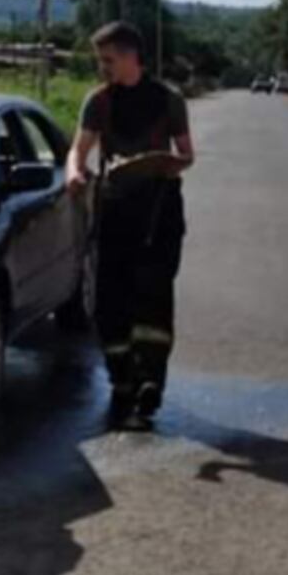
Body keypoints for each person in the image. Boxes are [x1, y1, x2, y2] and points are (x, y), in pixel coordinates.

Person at [65, 21, 194, 425]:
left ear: (131, 57)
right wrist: (74, 173)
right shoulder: (99, 102)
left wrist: (166, 163)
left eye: (107, 60)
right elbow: (78, 149)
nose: (102, 67)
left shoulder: (169, 100)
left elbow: (187, 154)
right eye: (100, 60)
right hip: (115, 209)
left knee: (154, 295)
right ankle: (121, 379)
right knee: (111, 301)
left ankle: (150, 380)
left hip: (159, 211)